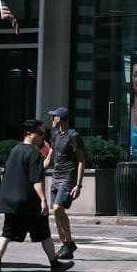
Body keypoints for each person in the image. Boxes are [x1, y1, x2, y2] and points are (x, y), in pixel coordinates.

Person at [0, 120, 74, 272]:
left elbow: (19, 172)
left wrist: (48, 156)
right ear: (29, 134)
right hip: (28, 202)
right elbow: (36, 180)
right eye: (40, 133)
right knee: (44, 232)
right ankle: (55, 264)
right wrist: (43, 200)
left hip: (11, 201)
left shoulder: (14, 150)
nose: (44, 136)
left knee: (7, 233)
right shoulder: (34, 153)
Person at [48, 106, 85, 259]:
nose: (51, 119)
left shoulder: (73, 136)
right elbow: (50, 154)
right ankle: (65, 245)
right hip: (55, 177)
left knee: (58, 208)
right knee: (56, 213)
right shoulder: (55, 135)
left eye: (54, 117)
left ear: (61, 119)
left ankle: (69, 242)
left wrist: (78, 185)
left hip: (67, 178)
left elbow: (81, 161)